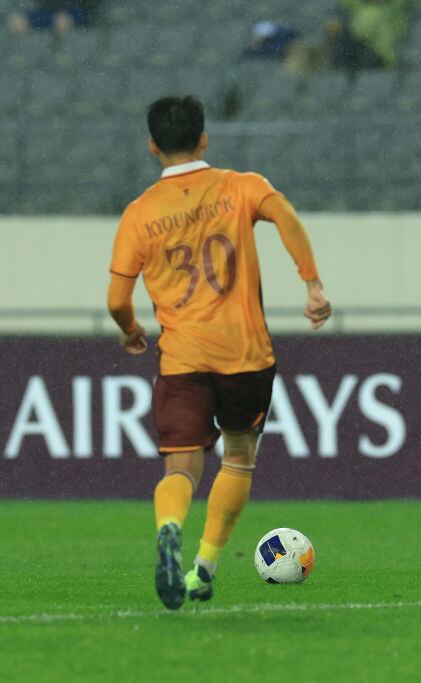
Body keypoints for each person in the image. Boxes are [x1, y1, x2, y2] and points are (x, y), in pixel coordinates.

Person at [106, 96, 332, 610]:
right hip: (246, 355)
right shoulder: (242, 186)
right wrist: (313, 285)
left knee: (180, 470)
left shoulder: (140, 214)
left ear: (152, 145)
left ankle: (169, 528)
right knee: (238, 457)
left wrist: (130, 328)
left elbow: (117, 299)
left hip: (183, 358)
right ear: (204, 139)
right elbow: (287, 217)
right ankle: (203, 568)